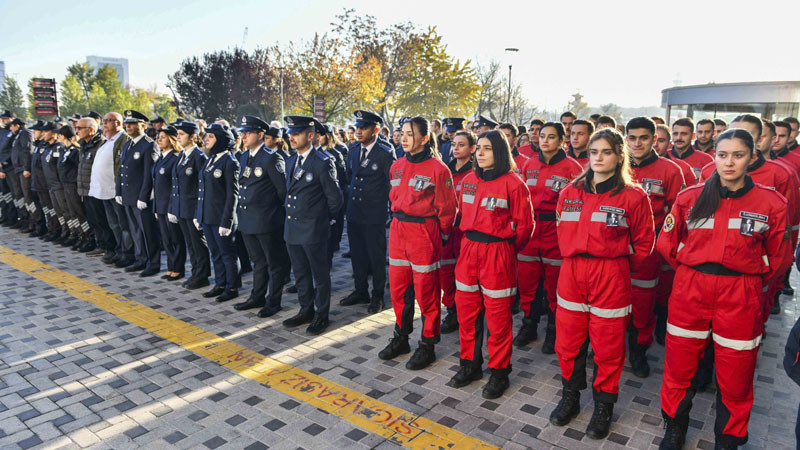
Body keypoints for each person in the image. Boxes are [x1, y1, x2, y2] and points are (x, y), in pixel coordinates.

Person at [657, 128, 790, 450]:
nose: (729, 162)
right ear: (714, 156)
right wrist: (692, 271)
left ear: (752, 157)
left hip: (740, 294)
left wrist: (748, 280)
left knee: (737, 373)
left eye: (738, 155)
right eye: (722, 154)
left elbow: (779, 258)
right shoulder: (690, 197)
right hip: (691, 289)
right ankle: (675, 428)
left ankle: (728, 439)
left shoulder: (771, 203)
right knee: (679, 367)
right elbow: (666, 244)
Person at [549, 128, 655, 440]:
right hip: (572, 274)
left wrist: (616, 265)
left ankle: (603, 405)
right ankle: (571, 395)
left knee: (608, 347)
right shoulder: (569, 192)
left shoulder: (635, 197)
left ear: (620, 156)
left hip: (611, 275)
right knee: (568, 343)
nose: (598, 158)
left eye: (606, 152)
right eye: (594, 152)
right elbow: (559, 231)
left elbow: (644, 245)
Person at [446, 129, 534, 399]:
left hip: (498, 253)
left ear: (500, 152)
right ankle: (470, 365)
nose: (480, 153)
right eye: (479, 148)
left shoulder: (514, 184)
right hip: (469, 250)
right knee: (468, 315)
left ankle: (499, 372)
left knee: (497, 319)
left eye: (487, 148)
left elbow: (525, 228)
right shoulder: (470, 180)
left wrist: (504, 249)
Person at [380, 116, 457, 370]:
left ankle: (427, 344)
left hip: (424, 232)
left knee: (426, 291)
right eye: (402, 133)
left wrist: (441, 236)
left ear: (424, 138)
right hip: (399, 230)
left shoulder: (438, 169)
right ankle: (401, 337)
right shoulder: (397, 165)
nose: (404, 138)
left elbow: (448, 209)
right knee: (399, 289)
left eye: (410, 134)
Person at [625, 117, 685, 377]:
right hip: (613, 247)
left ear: (655, 140)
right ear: (625, 138)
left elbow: (679, 215)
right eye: (632, 137)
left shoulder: (670, 171)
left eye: (644, 138)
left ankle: (638, 351)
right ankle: (609, 347)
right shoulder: (616, 165)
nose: (637, 143)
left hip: (649, 248)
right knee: (609, 302)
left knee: (642, 304)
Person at [516, 122, 582, 350]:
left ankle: (554, 329)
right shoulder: (529, 165)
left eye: (551, 137)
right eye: (542, 136)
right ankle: (529, 324)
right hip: (532, 229)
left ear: (561, 141)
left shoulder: (572, 168)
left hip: (556, 230)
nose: (544, 140)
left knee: (555, 284)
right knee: (528, 282)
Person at [280, 115, 343, 335]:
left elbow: (335, 199)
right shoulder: (291, 160)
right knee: (301, 273)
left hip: (314, 229)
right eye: (290, 133)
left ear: (310, 135)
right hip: (293, 228)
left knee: (320, 275)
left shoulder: (322, 162)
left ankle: (321, 315)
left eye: (295, 133)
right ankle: (306, 309)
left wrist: (323, 220)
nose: (291, 137)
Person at [232, 115, 291, 318]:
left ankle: (273, 302)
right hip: (248, 219)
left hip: (267, 220)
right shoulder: (244, 156)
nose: (243, 136)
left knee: (275, 263)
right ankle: (257, 296)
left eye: (247, 133)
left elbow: (282, 191)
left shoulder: (271, 157)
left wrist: (275, 214)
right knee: (258, 261)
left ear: (260, 135)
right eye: (242, 133)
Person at [340, 110, 395, 313]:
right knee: (357, 254)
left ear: (376, 130)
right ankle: (360, 290)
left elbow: (391, 186)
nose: (359, 132)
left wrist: (391, 212)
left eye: (364, 128)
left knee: (376, 256)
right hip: (355, 212)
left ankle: (377, 295)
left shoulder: (385, 153)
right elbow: (349, 178)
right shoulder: (353, 150)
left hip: (374, 214)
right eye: (357, 128)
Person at [195, 123, 241, 302]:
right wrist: (198, 215)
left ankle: (232, 287)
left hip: (222, 217)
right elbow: (202, 191)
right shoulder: (210, 160)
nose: (206, 139)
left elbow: (232, 194)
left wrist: (227, 221)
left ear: (221, 139)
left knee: (228, 254)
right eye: (207, 136)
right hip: (208, 216)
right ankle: (220, 283)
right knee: (215, 252)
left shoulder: (230, 161)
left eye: (211, 136)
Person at [439, 130, 477, 334]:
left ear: (472, 149)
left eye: (462, 145)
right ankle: (451, 309)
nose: (456, 148)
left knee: (465, 274)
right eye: (454, 144)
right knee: (446, 272)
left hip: (465, 230)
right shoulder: (446, 171)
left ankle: (466, 311)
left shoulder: (477, 173)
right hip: (447, 228)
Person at [117, 110, 161, 277]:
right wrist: (118, 191)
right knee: (135, 230)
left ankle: (153, 263)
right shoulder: (128, 144)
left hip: (141, 198)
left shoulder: (149, 145)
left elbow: (150, 174)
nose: (128, 126)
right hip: (129, 195)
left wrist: (143, 197)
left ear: (142, 125)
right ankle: (140, 259)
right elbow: (122, 170)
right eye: (127, 123)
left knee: (147, 231)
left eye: (132, 123)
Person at [171, 121, 211, 290]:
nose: (178, 137)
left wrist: (198, 212)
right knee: (190, 243)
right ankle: (195, 272)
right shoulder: (182, 156)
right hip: (182, 208)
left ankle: (202, 275)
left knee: (198, 243)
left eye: (181, 134)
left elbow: (203, 187)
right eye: (177, 134)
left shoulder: (199, 157)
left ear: (193, 136)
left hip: (193, 207)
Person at [93, 113, 134, 267]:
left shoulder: (124, 141)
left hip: (117, 191)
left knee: (124, 225)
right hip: (106, 190)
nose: (104, 124)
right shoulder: (107, 141)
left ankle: (128, 253)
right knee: (114, 224)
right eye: (103, 121)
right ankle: (119, 250)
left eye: (107, 121)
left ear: (118, 123)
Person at [152, 126, 185, 281]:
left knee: (175, 239)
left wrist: (172, 207)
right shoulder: (161, 158)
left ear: (171, 140)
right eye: (158, 137)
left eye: (163, 137)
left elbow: (175, 186)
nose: (159, 139)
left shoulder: (175, 158)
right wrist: (156, 208)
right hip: (161, 205)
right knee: (166, 239)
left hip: (171, 206)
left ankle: (178, 268)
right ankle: (171, 267)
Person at [55, 124, 87, 249]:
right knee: (72, 213)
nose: (58, 137)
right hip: (65, 185)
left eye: (60, 135)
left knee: (79, 212)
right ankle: (78, 234)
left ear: (63, 136)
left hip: (73, 185)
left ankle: (87, 236)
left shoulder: (75, 151)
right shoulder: (64, 150)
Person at [41, 122, 71, 244]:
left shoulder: (59, 148)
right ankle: (62, 231)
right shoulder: (47, 147)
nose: (43, 134)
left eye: (46, 131)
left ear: (54, 133)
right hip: (51, 185)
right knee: (58, 212)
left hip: (59, 185)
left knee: (66, 211)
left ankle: (71, 233)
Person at [9, 118, 35, 232]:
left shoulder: (25, 133)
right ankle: (26, 220)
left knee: (28, 197)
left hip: (24, 170)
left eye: (11, 126)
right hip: (18, 170)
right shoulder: (18, 135)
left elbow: (27, 150)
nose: (10, 128)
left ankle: (35, 222)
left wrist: (26, 167)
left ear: (17, 126)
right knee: (22, 197)